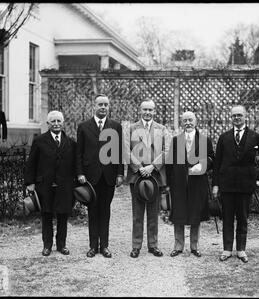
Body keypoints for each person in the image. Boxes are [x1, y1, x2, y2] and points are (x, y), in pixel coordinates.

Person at [212, 105, 259, 263]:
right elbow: (217, 163)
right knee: (227, 217)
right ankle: (226, 249)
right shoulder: (224, 138)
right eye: (234, 116)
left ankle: (240, 250)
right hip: (227, 185)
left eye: (239, 115)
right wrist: (216, 184)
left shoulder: (255, 137)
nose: (237, 118)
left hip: (246, 185)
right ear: (230, 118)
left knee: (243, 218)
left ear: (245, 116)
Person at [76, 94, 123, 258]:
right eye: (100, 104)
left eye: (106, 105)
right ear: (94, 106)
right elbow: (79, 153)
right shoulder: (83, 127)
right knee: (93, 211)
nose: (103, 107)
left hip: (109, 176)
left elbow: (118, 152)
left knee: (105, 211)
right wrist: (80, 173)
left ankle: (104, 246)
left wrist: (119, 173)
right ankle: (92, 246)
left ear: (109, 107)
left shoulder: (116, 127)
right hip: (90, 177)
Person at [24, 110, 76, 256]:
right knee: (46, 215)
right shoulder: (39, 141)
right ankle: (47, 245)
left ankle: (62, 245)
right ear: (48, 124)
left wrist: (77, 181)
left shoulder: (71, 143)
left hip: (64, 185)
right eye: (53, 121)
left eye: (59, 121)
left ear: (63, 123)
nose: (56, 124)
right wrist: (30, 182)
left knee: (62, 216)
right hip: (44, 185)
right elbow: (31, 163)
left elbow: (75, 164)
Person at [125, 98, 170, 258]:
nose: (147, 112)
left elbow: (166, 151)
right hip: (136, 177)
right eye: (145, 109)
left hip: (155, 176)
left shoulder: (162, 129)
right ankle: (136, 246)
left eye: (150, 110)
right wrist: (139, 167)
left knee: (153, 213)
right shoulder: (130, 128)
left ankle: (153, 245)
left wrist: (152, 167)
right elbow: (126, 150)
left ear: (154, 111)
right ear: (140, 110)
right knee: (137, 214)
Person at [166, 111, 214, 257]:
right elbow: (169, 163)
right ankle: (178, 246)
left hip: (197, 183)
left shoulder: (205, 140)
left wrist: (203, 165)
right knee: (179, 214)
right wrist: (169, 184)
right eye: (185, 120)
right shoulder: (176, 140)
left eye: (190, 120)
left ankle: (194, 246)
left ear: (196, 121)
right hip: (179, 184)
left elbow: (212, 159)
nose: (188, 123)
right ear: (181, 123)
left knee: (195, 214)